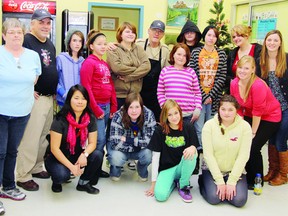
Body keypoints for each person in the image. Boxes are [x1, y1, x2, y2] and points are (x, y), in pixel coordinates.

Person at [0, 18, 41, 215]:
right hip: (0, 111)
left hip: (22, 111)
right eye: (11, 32)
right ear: (3, 35)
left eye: (18, 32)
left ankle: (8, 187)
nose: (16, 35)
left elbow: (34, 78)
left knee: (12, 151)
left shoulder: (33, 56)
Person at [16, 9, 58, 191]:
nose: (45, 26)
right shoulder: (25, 40)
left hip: (50, 99)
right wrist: (26, 88)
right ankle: (23, 175)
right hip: (36, 98)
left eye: (48, 22)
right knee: (30, 138)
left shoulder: (50, 44)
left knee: (43, 138)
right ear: (32, 23)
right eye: (41, 22)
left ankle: (36, 167)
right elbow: (15, 66)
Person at [230, 55, 281, 189]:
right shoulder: (234, 83)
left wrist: (252, 132)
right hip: (251, 114)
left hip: (270, 116)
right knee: (242, 143)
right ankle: (249, 175)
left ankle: (257, 179)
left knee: (253, 146)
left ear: (253, 70)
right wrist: (240, 122)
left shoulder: (257, 85)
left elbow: (258, 111)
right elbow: (237, 107)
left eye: (246, 68)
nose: (242, 71)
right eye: (240, 67)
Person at [44, 85, 102, 194]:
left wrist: (84, 154)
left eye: (83, 98)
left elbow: (93, 143)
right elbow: (54, 149)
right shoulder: (60, 119)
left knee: (97, 155)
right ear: (69, 99)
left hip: (76, 153)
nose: (80, 102)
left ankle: (83, 183)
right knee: (62, 175)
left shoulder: (90, 118)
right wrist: (72, 167)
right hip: (57, 157)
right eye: (76, 98)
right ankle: (56, 181)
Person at [199, 95, 252, 207]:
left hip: (234, 171)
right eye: (223, 109)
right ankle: (203, 180)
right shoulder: (209, 126)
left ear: (236, 110)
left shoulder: (245, 127)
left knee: (239, 201)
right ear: (218, 109)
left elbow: (243, 156)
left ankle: (227, 185)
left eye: (230, 110)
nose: (226, 113)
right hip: (212, 170)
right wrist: (219, 180)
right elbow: (208, 155)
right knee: (214, 198)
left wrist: (232, 181)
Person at [80, 30, 117, 179]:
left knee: (104, 139)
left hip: (107, 106)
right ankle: (92, 170)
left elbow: (110, 85)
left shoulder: (104, 63)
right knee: (98, 140)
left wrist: (113, 105)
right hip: (97, 108)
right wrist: (95, 108)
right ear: (91, 46)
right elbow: (86, 87)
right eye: (99, 44)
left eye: (104, 43)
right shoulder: (89, 63)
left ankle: (98, 167)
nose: (103, 46)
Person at [145, 99, 198, 203]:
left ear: (180, 112)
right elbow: (155, 157)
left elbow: (194, 146)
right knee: (160, 196)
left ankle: (183, 185)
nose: (174, 117)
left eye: (176, 113)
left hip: (182, 167)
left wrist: (193, 147)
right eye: (170, 115)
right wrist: (153, 183)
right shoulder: (160, 130)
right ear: (165, 116)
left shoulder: (188, 126)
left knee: (192, 152)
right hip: (167, 169)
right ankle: (173, 182)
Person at [188, 25, 227, 150]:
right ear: (204, 36)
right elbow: (193, 75)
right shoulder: (196, 52)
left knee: (212, 127)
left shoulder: (221, 53)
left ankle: (208, 157)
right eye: (209, 35)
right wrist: (204, 96)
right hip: (198, 98)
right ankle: (199, 154)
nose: (211, 38)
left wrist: (210, 96)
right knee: (199, 128)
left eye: (214, 36)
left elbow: (222, 76)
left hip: (214, 98)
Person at [257, 30, 288, 186]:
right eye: (269, 40)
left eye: (275, 40)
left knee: (281, 139)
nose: (272, 43)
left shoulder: (286, 59)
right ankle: (272, 171)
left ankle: (283, 174)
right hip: (270, 110)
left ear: (280, 43)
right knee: (271, 139)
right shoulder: (260, 61)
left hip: (285, 106)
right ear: (265, 42)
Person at [107, 93, 156, 181]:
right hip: (123, 149)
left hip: (134, 148)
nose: (134, 111)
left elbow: (150, 141)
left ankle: (141, 169)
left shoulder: (149, 115)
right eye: (131, 107)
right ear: (126, 108)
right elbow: (115, 141)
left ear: (141, 106)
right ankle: (115, 170)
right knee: (116, 158)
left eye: (137, 107)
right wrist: (137, 145)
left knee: (148, 153)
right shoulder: (118, 115)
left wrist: (127, 140)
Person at [106, 22, 151, 109]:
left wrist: (128, 77)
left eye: (133, 32)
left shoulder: (139, 49)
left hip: (135, 96)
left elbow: (147, 66)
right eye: (127, 32)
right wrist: (138, 68)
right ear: (120, 34)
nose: (131, 34)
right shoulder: (113, 49)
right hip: (118, 97)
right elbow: (117, 68)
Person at [157, 43, 202, 124]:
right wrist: (164, 107)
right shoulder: (165, 71)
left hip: (188, 115)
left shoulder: (191, 72)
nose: (181, 57)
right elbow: (160, 92)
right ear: (173, 54)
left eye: (184, 55)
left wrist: (198, 109)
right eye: (179, 54)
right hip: (170, 115)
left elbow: (197, 93)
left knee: (186, 136)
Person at [137, 20, 170, 122]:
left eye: (160, 31)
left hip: (155, 94)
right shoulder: (138, 44)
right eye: (154, 30)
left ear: (163, 34)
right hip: (138, 90)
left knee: (154, 121)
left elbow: (166, 73)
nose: (156, 33)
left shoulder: (165, 50)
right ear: (148, 31)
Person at [226, 24, 262, 93]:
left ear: (246, 36)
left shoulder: (258, 51)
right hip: (236, 91)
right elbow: (227, 74)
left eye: (239, 35)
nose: (236, 39)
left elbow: (261, 73)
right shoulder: (232, 53)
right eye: (234, 37)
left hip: (254, 91)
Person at [56, 29, 85, 107]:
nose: (77, 44)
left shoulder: (83, 61)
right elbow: (54, 80)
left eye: (80, 41)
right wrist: (63, 93)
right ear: (69, 42)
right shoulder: (61, 58)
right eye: (74, 40)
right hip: (64, 100)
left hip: (79, 102)